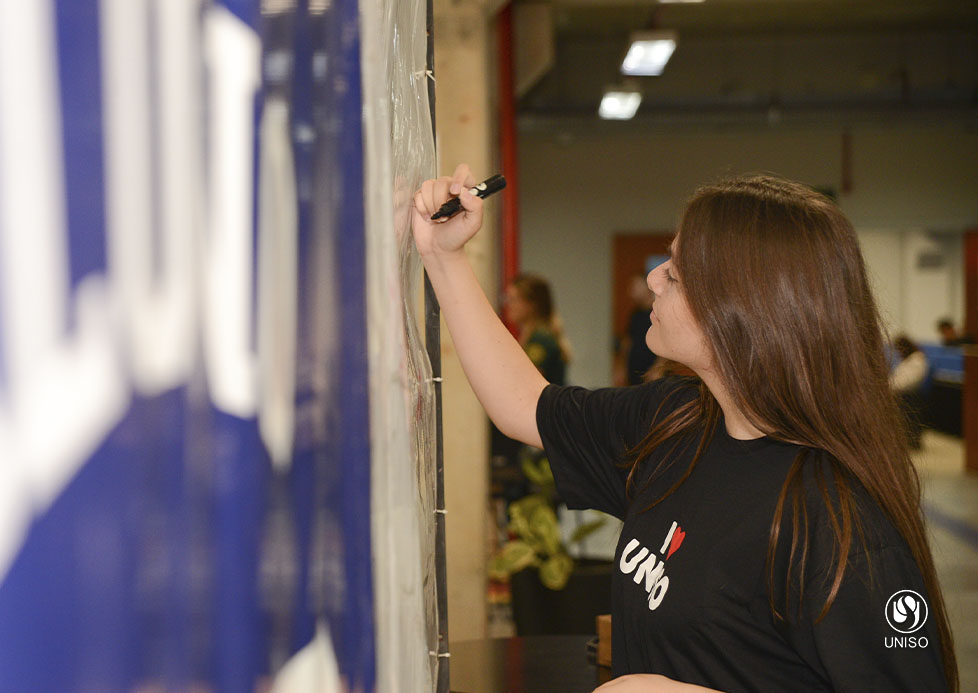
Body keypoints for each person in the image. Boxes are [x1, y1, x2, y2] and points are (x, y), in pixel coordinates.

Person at [413, 165, 957, 692]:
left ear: (741, 308)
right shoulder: (677, 421)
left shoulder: (843, 526)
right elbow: (525, 405)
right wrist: (444, 256)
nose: (654, 278)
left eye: (674, 272)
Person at [505, 273, 570, 385]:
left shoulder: (541, 339)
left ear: (532, 305)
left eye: (513, 299)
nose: (508, 305)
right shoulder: (533, 336)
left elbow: (527, 381)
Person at [614, 274, 657, 386]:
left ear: (647, 287)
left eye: (635, 286)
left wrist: (657, 368)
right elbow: (627, 342)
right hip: (634, 375)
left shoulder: (658, 312)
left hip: (653, 376)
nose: (631, 291)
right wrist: (621, 367)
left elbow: (668, 342)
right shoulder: (635, 314)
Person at [890, 335, 929, 449]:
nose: (898, 352)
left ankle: (910, 441)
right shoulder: (907, 360)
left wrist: (891, 387)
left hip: (911, 395)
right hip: (903, 393)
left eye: (899, 348)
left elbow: (908, 381)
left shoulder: (917, 360)